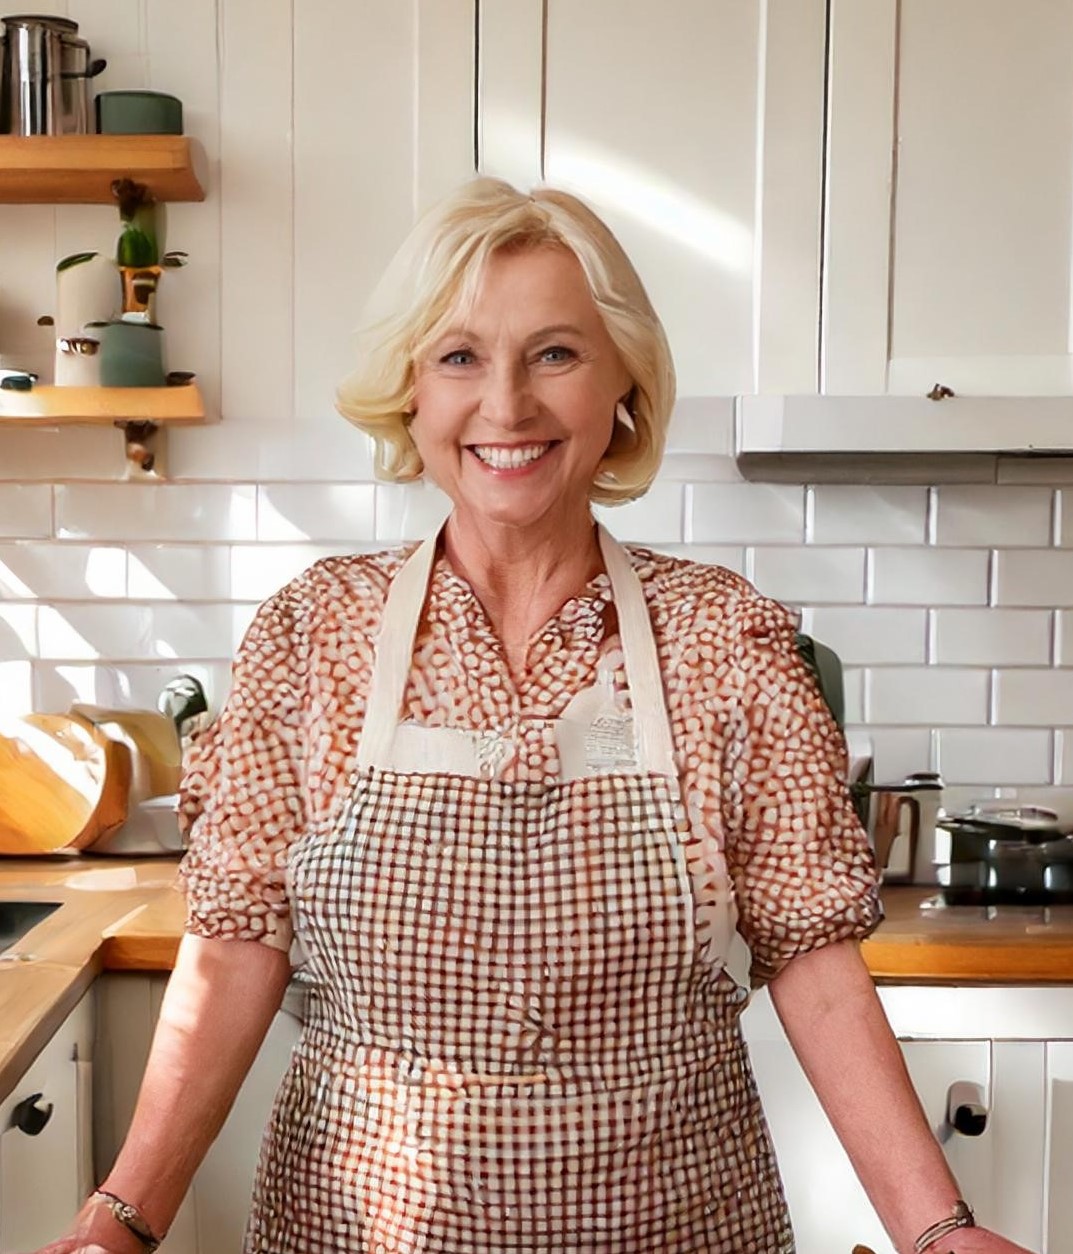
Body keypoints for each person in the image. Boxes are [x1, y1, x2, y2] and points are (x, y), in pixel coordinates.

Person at [40, 178, 1034, 1254]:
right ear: (408, 391)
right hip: (353, 1229)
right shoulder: (311, 636)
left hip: (677, 1227)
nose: (505, 407)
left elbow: (812, 959)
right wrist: (122, 1221)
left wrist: (935, 1233)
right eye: (459, 356)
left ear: (622, 386)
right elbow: (234, 948)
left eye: (554, 353)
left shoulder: (720, 640)